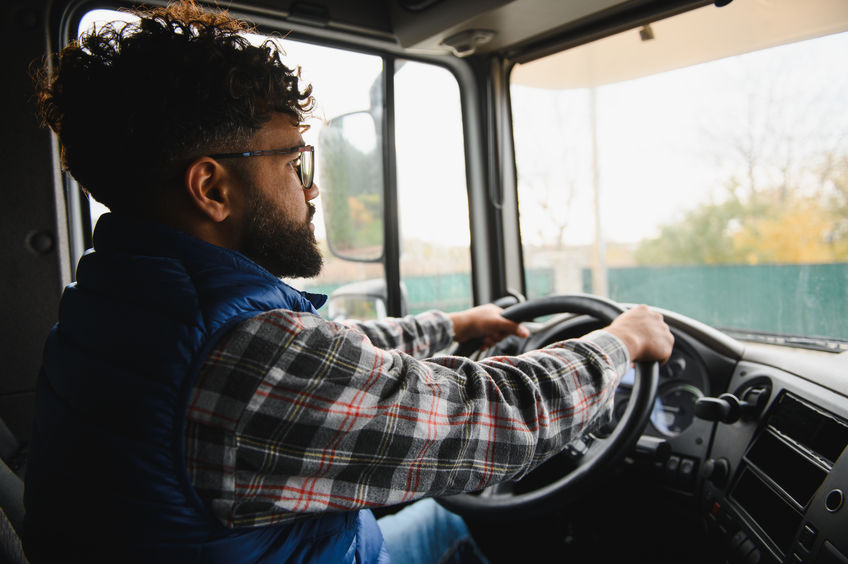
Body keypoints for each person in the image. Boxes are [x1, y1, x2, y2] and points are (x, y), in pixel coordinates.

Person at [23, 2, 674, 562]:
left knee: (459, 515)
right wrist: (623, 342)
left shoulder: (120, 301)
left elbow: (329, 357)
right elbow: (491, 419)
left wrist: (452, 326)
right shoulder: (235, 360)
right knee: (482, 519)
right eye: (293, 159)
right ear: (212, 187)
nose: (310, 190)